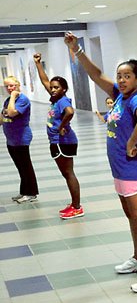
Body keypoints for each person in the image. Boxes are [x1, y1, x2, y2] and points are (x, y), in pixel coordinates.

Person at [64, 31, 137, 293]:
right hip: (121, 167)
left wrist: (131, 143)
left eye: (127, 76)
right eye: (119, 76)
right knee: (132, 216)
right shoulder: (121, 95)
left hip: (135, 167)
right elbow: (96, 75)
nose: (121, 80)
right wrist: (77, 50)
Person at [33, 53, 83, 218]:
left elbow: (70, 112)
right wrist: (38, 64)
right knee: (66, 173)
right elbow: (44, 80)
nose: (53, 89)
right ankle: (74, 203)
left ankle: (77, 207)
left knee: (69, 173)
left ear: (64, 89)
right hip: (58, 141)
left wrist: (62, 126)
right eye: (52, 87)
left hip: (63, 141)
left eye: (56, 87)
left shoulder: (62, 101)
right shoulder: (56, 98)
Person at [2, 76, 39, 203]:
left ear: (18, 85)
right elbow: (3, 117)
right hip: (11, 139)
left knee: (26, 166)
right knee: (20, 167)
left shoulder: (23, 100)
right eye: (6, 86)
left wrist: (13, 96)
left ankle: (31, 193)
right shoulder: (7, 101)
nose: (9, 88)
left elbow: (11, 113)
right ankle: (24, 191)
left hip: (21, 138)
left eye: (12, 85)